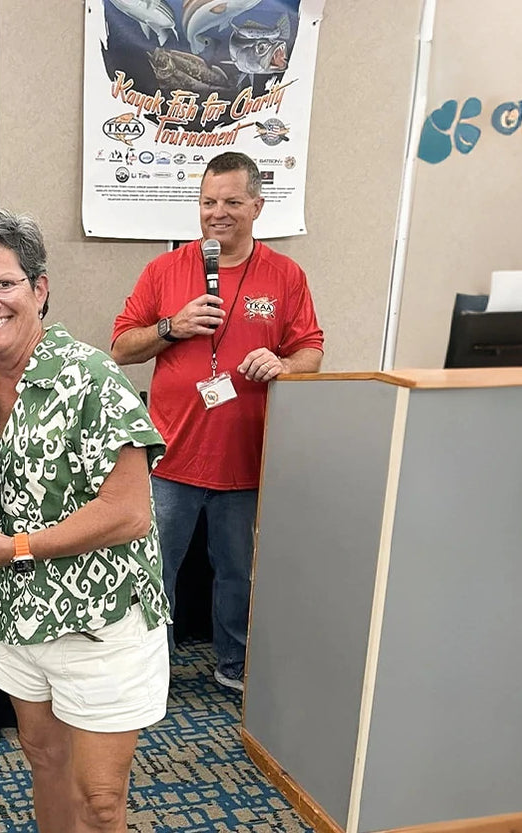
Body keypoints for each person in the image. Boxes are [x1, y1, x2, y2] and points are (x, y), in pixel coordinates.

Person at [0, 209, 171, 833]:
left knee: (100, 800)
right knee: (44, 761)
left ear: (39, 289)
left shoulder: (91, 378)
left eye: (4, 284)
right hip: (15, 616)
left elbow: (129, 512)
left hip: (99, 623)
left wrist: (13, 549)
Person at [110, 151, 324, 693]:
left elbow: (311, 350)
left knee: (238, 575)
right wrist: (171, 325)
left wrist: (284, 364)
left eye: (231, 202)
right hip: (171, 459)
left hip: (248, 461)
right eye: (208, 202)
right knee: (156, 574)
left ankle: (233, 666)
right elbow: (121, 346)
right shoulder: (165, 269)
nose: (217, 213)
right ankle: (149, 672)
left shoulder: (285, 274)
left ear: (258, 205)